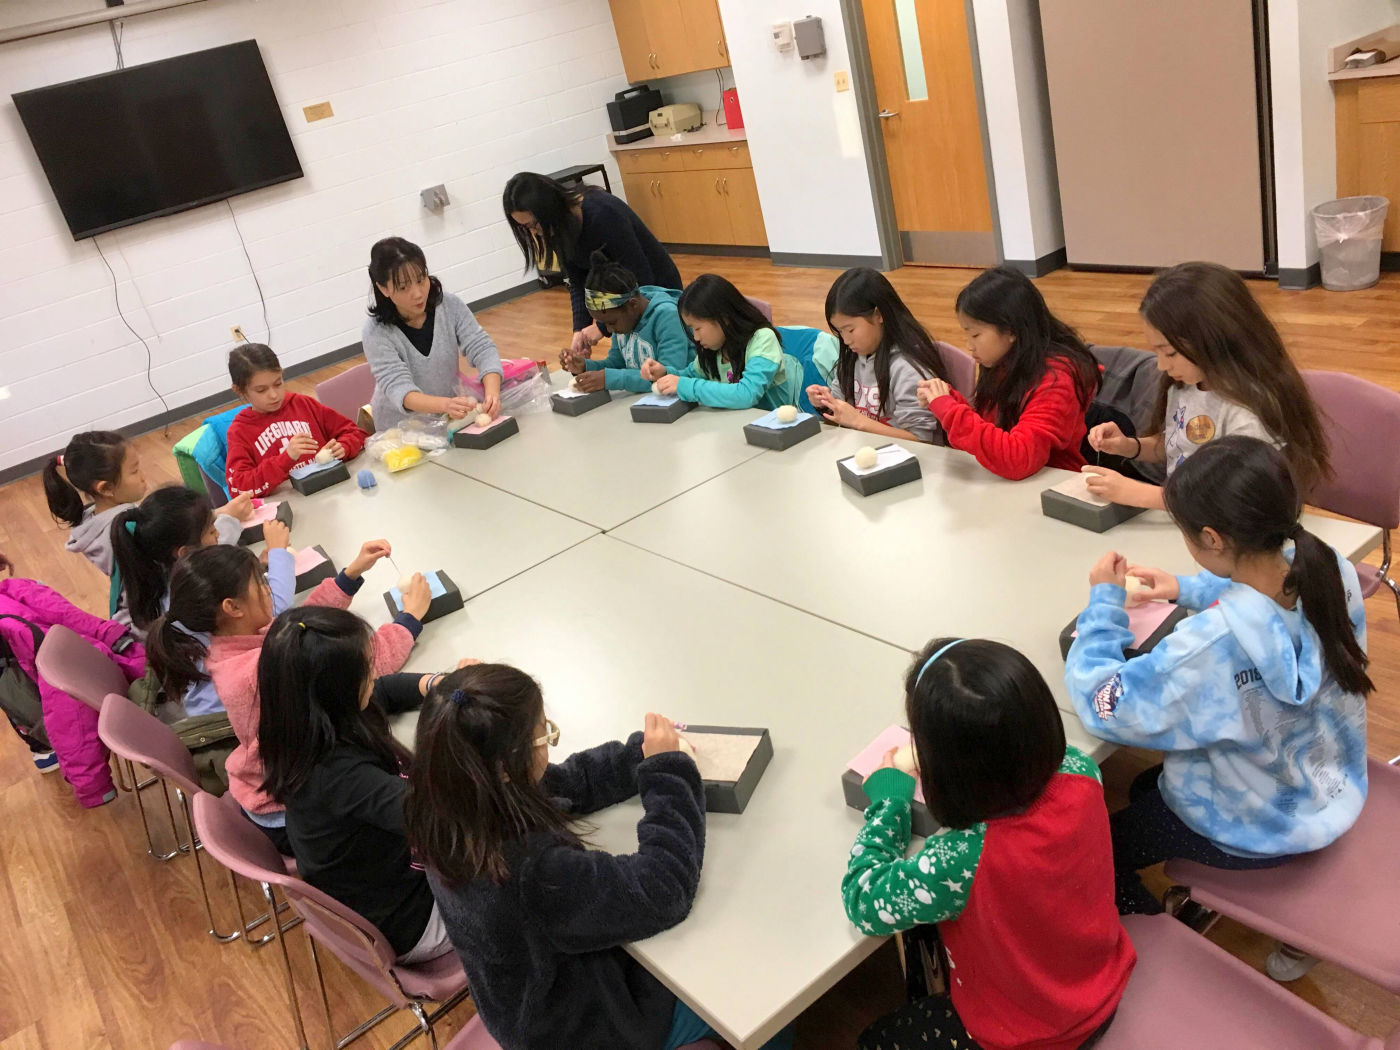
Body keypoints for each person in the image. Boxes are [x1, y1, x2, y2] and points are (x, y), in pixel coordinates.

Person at [405, 666, 794, 1050]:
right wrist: (668, 773)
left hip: (521, 1006)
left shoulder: (445, 803)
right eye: (544, 735)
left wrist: (637, 756)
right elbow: (664, 888)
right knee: (764, 1012)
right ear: (506, 766)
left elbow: (562, 783)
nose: (549, 744)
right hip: (585, 1028)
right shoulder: (532, 871)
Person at [1066, 437, 1370, 922]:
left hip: (1251, 826)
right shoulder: (1331, 567)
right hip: (1328, 782)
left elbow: (1106, 706)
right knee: (1146, 785)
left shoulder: (1208, 646)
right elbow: (1266, 587)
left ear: (1211, 539)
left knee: (1088, 854)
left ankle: (1158, 939)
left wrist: (1102, 606)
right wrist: (1187, 586)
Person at [843, 638, 1134, 1050]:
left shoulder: (960, 859)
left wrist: (890, 802)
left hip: (1035, 1035)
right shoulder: (1082, 770)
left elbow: (864, 901)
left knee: (876, 1039)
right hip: (1102, 978)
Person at [200, 527, 430, 852]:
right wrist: (410, 618)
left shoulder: (233, 643)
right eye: (262, 583)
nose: (270, 590)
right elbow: (356, 665)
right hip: (281, 810)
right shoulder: (254, 673)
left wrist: (349, 576)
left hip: (271, 783)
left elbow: (302, 626)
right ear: (232, 607)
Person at [258, 605, 451, 962]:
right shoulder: (338, 775)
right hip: (414, 920)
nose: (374, 674)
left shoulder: (302, 723)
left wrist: (436, 683)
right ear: (338, 691)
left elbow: (385, 691)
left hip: (381, 886)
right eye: (366, 669)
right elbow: (444, 817)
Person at [1083, 262, 1331, 508]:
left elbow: (1227, 498)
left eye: (1169, 353)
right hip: (1189, 523)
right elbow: (1177, 445)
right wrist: (1130, 446)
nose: (1160, 365)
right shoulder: (1187, 385)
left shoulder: (1246, 415)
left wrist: (1143, 495)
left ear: (1213, 341)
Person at [917, 266, 1100, 478]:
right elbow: (991, 434)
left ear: (1012, 330)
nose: (969, 345)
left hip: (1055, 486)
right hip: (1011, 485)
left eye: (975, 335)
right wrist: (950, 401)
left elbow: (1018, 459)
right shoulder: (1003, 362)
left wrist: (950, 412)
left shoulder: (1056, 379)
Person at [503, 171, 681, 358]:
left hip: (658, 294)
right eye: (526, 228)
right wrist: (579, 331)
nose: (533, 232)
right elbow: (577, 282)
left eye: (533, 225)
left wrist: (603, 327)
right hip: (627, 305)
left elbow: (641, 279)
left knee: (664, 364)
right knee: (635, 361)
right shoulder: (557, 229)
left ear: (548, 210)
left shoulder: (603, 213)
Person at [362, 237, 503, 432]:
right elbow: (400, 390)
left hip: (448, 418)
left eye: (421, 280)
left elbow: (482, 348)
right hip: (401, 430)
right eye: (404, 287)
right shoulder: (376, 332)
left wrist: (492, 394)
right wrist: (446, 405)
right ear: (384, 288)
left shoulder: (449, 305)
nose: (418, 293)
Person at [806, 267, 949, 444]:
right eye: (840, 331)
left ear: (878, 315)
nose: (846, 340)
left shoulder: (907, 368)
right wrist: (825, 403)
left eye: (850, 329)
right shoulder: (854, 356)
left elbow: (920, 440)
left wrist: (858, 421)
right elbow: (840, 412)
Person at [640, 273, 803, 410]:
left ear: (723, 319)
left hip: (769, 431)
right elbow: (691, 375)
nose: (695, 337)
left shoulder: (762, 339)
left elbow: (747, 394)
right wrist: (665, 374)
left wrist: (686, 386)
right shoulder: (713, 347)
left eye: (698, 328)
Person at [224, 343, 367, 497]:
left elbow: (356, 433)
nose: (273, 395)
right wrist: (285, 459)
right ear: (239, 390)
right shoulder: (240, 431)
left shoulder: (303, 404)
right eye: (261, 390)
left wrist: (344, 446)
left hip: (332, 493)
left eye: (278, 383)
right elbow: (239, 489)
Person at [108, 485, 250, 637]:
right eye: (211, 530)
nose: (218, 532)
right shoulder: (191, 604)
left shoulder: (167, 575)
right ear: (185, 552)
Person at [560, 251, 692, 393]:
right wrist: (585, 366)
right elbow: (617, 363)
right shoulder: (623, 321)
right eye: (604, 324)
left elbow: (669, 376)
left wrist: (609, 379)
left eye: (611, 323)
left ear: (632, 304)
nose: (609, 330)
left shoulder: (667, 316)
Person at [44, 431, 148, 584]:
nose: (143, 476)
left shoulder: (92, 518)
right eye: (134, 471)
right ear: (106, 489)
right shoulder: (125, 532)